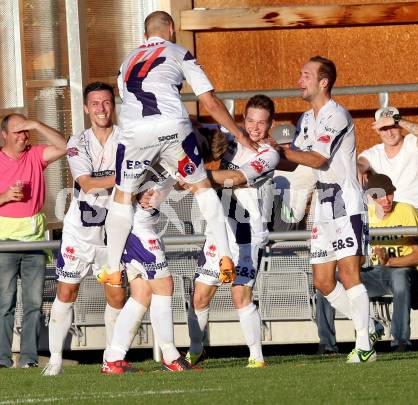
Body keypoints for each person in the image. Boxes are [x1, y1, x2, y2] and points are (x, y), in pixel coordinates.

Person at [100, 11, 255, 288]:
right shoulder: (179, 52)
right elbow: (209, 101)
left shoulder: (126, 62)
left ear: (145, 35)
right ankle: (225, 255)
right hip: (173, 126)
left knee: (122, 197)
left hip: (135, 132)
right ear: (171, 29)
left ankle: (113, 268)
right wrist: (237, 133)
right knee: (202, 187)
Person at [277, 56, 374, 363]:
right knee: (322, 281)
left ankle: (364, 345)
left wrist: (282, 151)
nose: (299, 80)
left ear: (324, 82)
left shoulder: (337, 115)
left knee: (348, 273)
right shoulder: (306, 119)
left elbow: (317, 159)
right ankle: (368, 326)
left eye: (305, 75)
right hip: (322, 205)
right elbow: (300, 163)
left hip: (346, 201)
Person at [186, 95, 279, 368]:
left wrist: (196, 177)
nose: (255, 128)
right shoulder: (230, 138)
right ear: (243, 120)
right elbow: (196, 129)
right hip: (220, 229)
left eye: (262, 123)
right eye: (250, 120)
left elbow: (237, 178)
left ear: (271, 124)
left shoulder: (269, 153)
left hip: (248, 233)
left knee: (240, 293)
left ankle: (256, 357)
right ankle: (195, 350)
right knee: (200, 295)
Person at [42, 82, 126, 376]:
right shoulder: (78, 141)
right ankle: (54, 360)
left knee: (117, 295)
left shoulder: (127, 139)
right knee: (66, 292)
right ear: (86, 108)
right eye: (95, 103)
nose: (101, 109)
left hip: (113, 234)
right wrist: (125, 177)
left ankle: (110, 359)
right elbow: (86, 183)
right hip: (80, 232)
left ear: (113, 105)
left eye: (106, 102)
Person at [316, 174, 418, 352]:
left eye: (389, 193)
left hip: (403, 271)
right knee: (327, 283)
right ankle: (327, 344)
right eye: (378, 196)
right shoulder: (362, 214)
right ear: (369, 197)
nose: (385, 200)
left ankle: (401, 341)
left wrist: (389, 261)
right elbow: (354, 256)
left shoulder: (406, 211)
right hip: (372, 272)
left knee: (400, 277)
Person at [101, 172, 198, 374]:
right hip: (139, 234)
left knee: (141, 295)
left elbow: (169, 183)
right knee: (164, 286)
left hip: (136, 231)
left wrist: (175, 180)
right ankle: (171, 357)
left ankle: (113, 358)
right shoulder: (145, 154)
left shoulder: (154, 159)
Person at [0, 113, 66, 368]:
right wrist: (5, 196)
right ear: (4, 135)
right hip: (4, 242)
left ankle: (29, 359)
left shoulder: (36, 154)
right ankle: (3, 360)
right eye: (17, 131)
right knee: (4, 303)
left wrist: (37, 124)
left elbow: (64, 147)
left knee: (33, 303)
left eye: (26, 131)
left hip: (34, 242)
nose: (23, 136)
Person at [357, 106, 418, 221]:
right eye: (384, 128)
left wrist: (398, 119)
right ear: (377, 130)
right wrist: (358, 170)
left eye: (393, 126)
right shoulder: (373, 153)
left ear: (400, 126)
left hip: (415, 212)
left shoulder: (413, 143)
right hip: (385, 215)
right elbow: (360, 164)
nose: (389, 133)